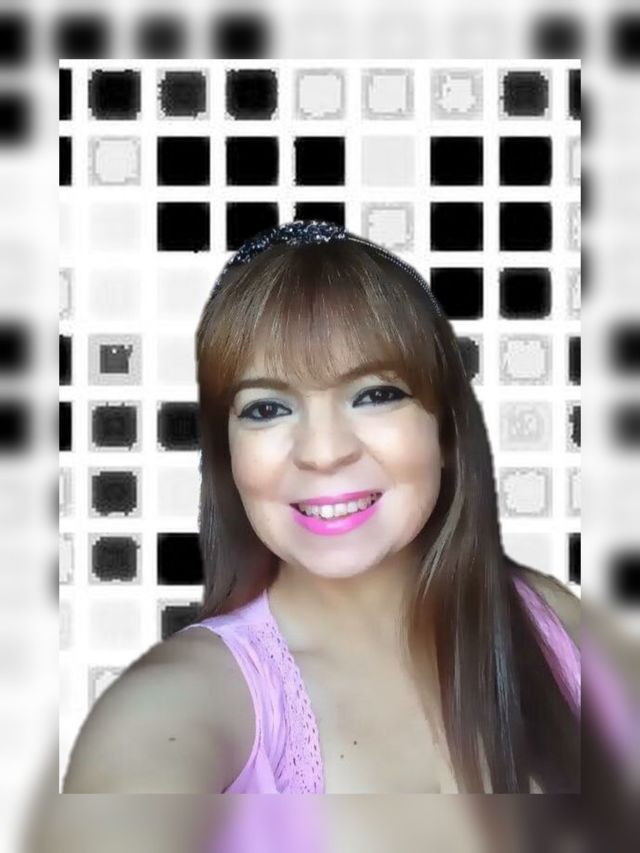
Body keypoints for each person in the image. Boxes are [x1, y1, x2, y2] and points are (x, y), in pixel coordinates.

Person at [62, 220, 582, 800]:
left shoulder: (553, 621)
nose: (324, 452)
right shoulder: (182, 700)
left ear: (446, 431)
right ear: (227, 455)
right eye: (266, 409)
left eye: (376, 395)